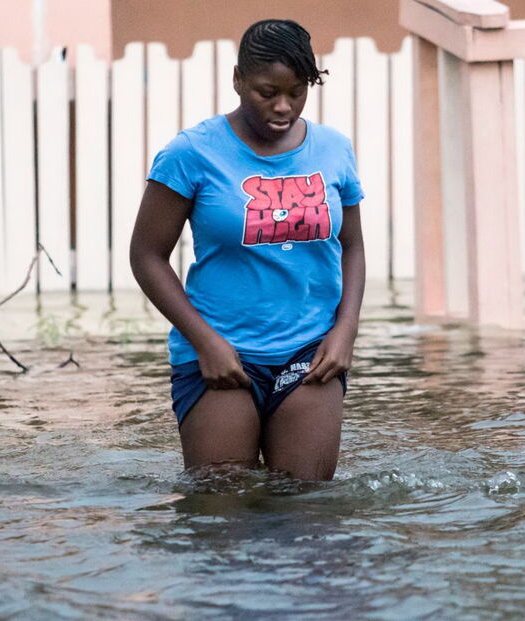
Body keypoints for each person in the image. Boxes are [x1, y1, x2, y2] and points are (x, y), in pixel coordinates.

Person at [130, 19, 365, 482]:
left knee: (306, 512)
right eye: (266, 92)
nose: (283, 107)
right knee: (223, 512)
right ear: (237, 80)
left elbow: (352, 246)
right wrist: (205, 342)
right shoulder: (191, 153)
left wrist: (345, 332)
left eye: (297, 92)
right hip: (220, 355)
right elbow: (147, 256)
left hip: (311, 350)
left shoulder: (334, 149)